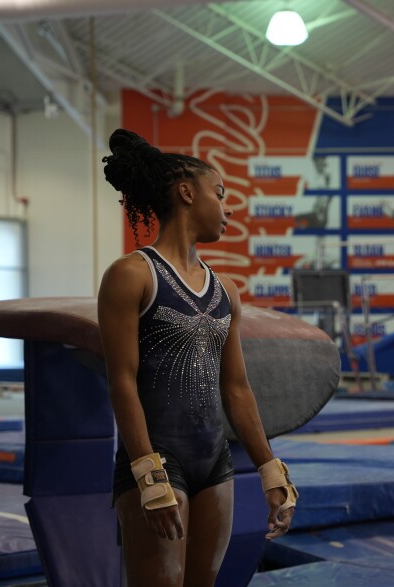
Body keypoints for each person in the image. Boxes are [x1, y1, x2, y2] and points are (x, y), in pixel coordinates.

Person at [99, 129, 297, 586]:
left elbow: (237, 388)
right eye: (220, 194)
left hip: (214, 462)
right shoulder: (132, 274)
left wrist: (271, 470)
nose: (229, 208)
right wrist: (148, 474)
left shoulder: (226, 289)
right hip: (157, 457)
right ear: (187, 193)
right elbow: (122, 382)